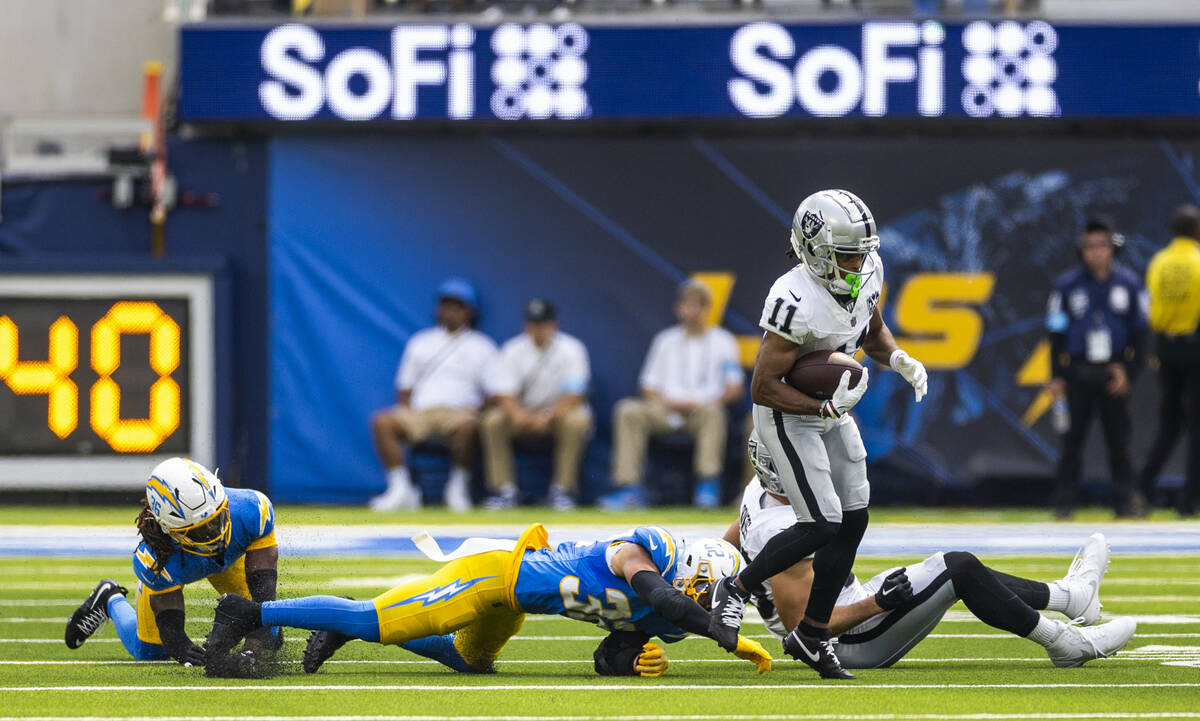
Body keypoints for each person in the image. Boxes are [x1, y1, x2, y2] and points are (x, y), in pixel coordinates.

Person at [708, 189, 928, 680]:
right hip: (787, 415)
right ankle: (737, 588)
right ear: (814, 247)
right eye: (845, 252)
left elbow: (870, 329)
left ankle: (811, 634)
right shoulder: (792, 299)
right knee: (823, 523)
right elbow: (763, 387)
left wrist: (897, 358)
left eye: (862, 251)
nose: (857, 262)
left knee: (854, 519)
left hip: (829, 412)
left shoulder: (868, 271)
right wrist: (820, 404)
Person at [732, 431, 1137, 669]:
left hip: (849, 602)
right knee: (956, 568)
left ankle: (1071, 597)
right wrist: (876, 604)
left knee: (954, 571)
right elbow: (806, 629)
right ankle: (1064, 643)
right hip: (845, 641)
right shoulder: (782, 529)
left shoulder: (759, 494)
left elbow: (733, 538)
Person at [202, 523, 773, 678]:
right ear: (692, 573)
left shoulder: (676, 616)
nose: (701, 600)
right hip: (495, 574)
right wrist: (723, 634)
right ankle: (250, 611)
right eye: (702, 589)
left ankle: (348, 625)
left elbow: (610, 652)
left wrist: (631, 661)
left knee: (469, 662)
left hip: (514, 605)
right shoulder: (650, 553)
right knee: (379, 618)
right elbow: (656, 593)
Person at [63, 458, 282, 666]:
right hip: (183, 560)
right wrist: (182, 647)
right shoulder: (156, 558)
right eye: (200, 530)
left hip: (228, 561)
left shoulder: (251, 510)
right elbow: (172, 631)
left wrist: (251, 650)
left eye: (218, 519)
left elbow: (264, 597)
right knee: (151, 652)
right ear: (171, 530)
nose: (215, 532)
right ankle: (110, 599)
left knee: (271, 634)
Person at [602, 281, 745, 509]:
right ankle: (629, 490)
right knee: (628, 410)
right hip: (665, 410)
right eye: (688, 304)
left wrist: (703, 403)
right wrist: (668, 403)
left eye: (699, 305)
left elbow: (734, 388)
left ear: (708, 309)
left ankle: (707, 487)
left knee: (714, 413)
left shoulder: (723, 341)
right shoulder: (665, 340)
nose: (693, 310)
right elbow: (648, 386)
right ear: (678, 308)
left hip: (703, 410)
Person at [1045, 218, 1148, 518]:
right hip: (1077, 372)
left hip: (1112, 372)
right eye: (1090, 246)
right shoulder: (1066, 286)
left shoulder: (1129, 284)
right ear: (1082, 249)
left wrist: (1129, 372)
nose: (1096, 252)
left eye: (1102, 245)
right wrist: (1056, 375)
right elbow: (1055, 334)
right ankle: (1064, 502)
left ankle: (1124, 501)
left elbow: (1142, 335)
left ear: (1113, 247)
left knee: (1119, 441)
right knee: (1071, 441)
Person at [369, 277, 498, 512]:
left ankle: (458, 488)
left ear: (469, 311)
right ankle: (400, 489)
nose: (450, 311)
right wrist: (408, 411)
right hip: (422, 413)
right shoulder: (421, 342)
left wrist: (475, 410)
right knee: (383, 421)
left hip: (459, 414)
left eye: (457, 306)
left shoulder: (482, 346)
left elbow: (494, 392)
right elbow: (405, 388)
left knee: (468, 427)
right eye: (446, 305)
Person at [481, 298, 593, 511]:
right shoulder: (512, 349)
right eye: (534, 323)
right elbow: (504, 393)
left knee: (579, 419)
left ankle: (562, 490)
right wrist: (517, 415)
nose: (539, 329)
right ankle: (504, 490)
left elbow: (575, 394)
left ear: (554, 325)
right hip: (523, 414)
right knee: (493, 420)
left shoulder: (572, 349)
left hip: (558, 413)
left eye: (544, 323)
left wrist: (548, 416)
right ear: (526, 325)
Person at [1138, 205, 1200, 517]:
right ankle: (1190, 501)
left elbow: (1152, 308)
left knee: (1170, 422)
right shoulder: (1198, 261)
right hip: (1195, 346)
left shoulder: (1160, 261)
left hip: (1165, 348)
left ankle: (1144, 486)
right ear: (1196, 230)